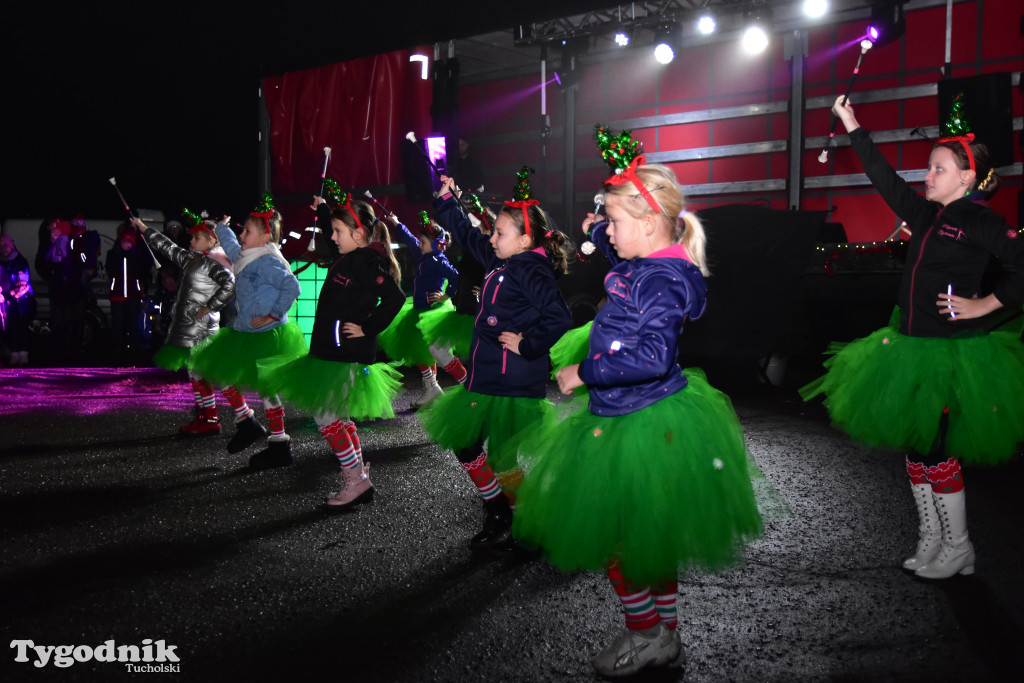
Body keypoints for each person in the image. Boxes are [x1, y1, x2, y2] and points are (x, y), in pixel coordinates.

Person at [512, 159, 764, 678]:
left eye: (615, 222)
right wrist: (602, 233)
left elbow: (650, 356)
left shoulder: (661, 281)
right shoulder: (648, 263)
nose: (607, 230)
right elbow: (623, 254)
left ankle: (647, 633)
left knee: (619, 541)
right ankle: (663, 633)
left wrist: (584, 372)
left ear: (648, 224)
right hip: (631, 413)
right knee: (650, 537)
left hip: (638, 420)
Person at [802, 96, 1024, 580]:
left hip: (948, 353)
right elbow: (883, 175)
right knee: (917, 450)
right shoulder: (925, 216)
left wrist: (986, 304)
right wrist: (852, 124)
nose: (927, 176)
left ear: (966, 178)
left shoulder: (978, 220)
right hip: (907, 345)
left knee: (937, 452)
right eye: (928, 168)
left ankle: (959, 546)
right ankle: (932, 538)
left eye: (938, 169)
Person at [422, 169, 572, 552]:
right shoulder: (504, 261)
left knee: (504, 458)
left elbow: (558, 317)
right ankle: (498, 509)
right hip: (485, 377)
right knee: (466, 444)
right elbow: (472, 236)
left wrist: (527, 345)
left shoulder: (532, 269)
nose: (492, 238)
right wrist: (447, 201)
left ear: (524, 239)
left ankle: (528, 526)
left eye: (500, 233)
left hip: (513, 382)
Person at [263, 193, 405, 508]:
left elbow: (394, 297)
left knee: (326, 415)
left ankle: (354, 480)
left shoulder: (367, 259)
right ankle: (358, 478)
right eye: (333, 230)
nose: (332, 237)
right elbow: (333, 242)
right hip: (332, 350)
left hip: (345, 353)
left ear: (358, 234)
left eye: (338, 231)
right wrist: (327, 211)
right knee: (336, 414)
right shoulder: (349, 254)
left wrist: (369, 328)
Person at [189, 193, 306, 469]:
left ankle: (280, 444)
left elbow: (292, 287)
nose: (242, 234)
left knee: (268, 389)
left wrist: (273, 315)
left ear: (265, 237)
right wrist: (220, 226)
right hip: (243, 333)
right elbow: (229, 242)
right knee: (218, 371)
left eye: (247, 230)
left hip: (268, 336)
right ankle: (247, 421)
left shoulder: (267, 261)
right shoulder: (243, 255)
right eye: (242, 229)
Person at [132, 212, 235, 436]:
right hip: (191, 327)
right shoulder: (192, 259)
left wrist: (211, 306)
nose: (191, 241)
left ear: (211, 241)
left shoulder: (212, 264)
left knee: (203, 372)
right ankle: (205, 416)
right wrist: (143, 228)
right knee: (195, 373)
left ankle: (214, 418)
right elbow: (167, 247)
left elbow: (230, 284)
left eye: (197, 238)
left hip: (203, 328)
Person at [378, 210, 464, 408]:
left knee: (437, 352)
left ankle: (468, 383)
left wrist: (446, 295)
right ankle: (432, 387)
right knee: (419, 351)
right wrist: (397, 223)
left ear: (434, 244)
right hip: (418, 312)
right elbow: (410, 240)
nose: (419, 244)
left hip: (431, 314)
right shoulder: (426, 256)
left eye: (423, 242)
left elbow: (457, 278)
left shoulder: (438, 260)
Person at [415, 194, 492, 367]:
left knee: (483, 360)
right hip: (463, 311)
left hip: (481, 315)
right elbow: (459, 277)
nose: (472, 232)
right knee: (436, 348)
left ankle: (480, 387)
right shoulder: (470, 251)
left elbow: (507, 280)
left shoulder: (492, 254)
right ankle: (463, 382)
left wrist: (488, 288)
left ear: (488, 230)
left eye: (477, 227)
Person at [105, 223, 153, 362]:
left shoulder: (137, 255)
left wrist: (133, 254)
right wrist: (120, 253)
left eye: (129, 242)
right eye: (124, 241)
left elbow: (143, 269)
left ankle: (134, 348)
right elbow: (110, 268)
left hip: (133, 294)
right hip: (118, 294)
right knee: (118, 323)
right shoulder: (114, 254)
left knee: (133, 322)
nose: (127, 244)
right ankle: (117, 349)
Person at [0, 235, 36, 366]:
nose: (3, 248)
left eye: (5, 245)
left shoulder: (20, 261)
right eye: (1, 245)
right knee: (11, 328)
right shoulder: (1, 262)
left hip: (22, 302)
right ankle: (14, 353)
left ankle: (23, 353)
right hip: (7, 301)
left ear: (11, 245)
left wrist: (19, 291)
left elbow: (24, 280)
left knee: (22, 327)